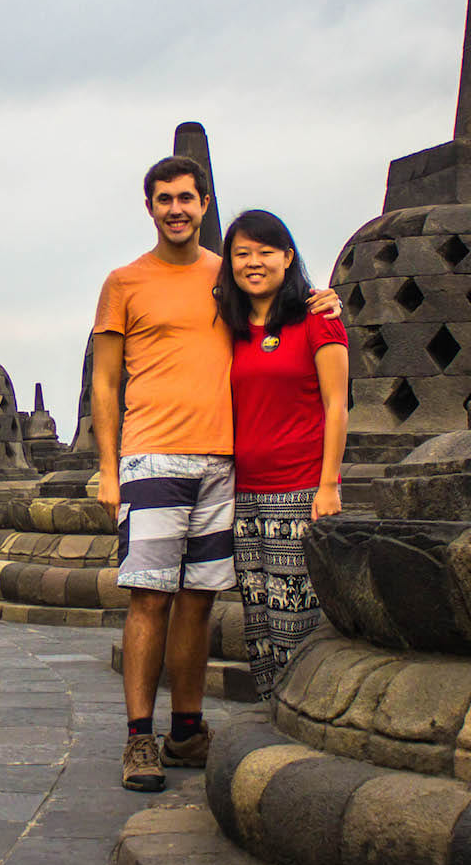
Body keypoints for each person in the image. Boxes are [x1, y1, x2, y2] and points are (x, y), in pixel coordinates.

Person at [93, 159, 339, 792]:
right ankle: (138, 739)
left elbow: (280, 308)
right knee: (149, 596)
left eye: (188, 199)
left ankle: (186, 728)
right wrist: (107, 467)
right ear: (149, 207)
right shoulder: (124, 281)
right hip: (152, 456)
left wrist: (327, 298)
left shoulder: (225, 276)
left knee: (199, 601)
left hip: (221, 463)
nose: (177, 209)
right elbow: (106, 380)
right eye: (164, 199)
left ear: (205, 205)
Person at [218, 209, 349, 701]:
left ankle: (305, 714)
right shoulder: (231, 329)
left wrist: (329, 484)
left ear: (288, 257)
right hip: (244, 495)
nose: (254, 263)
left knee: (297, 619)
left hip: (298, 492)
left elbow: (337, 405)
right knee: (258, 621)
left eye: (266, 252)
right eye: (242, 254)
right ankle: (274, 710)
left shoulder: (316, 319)